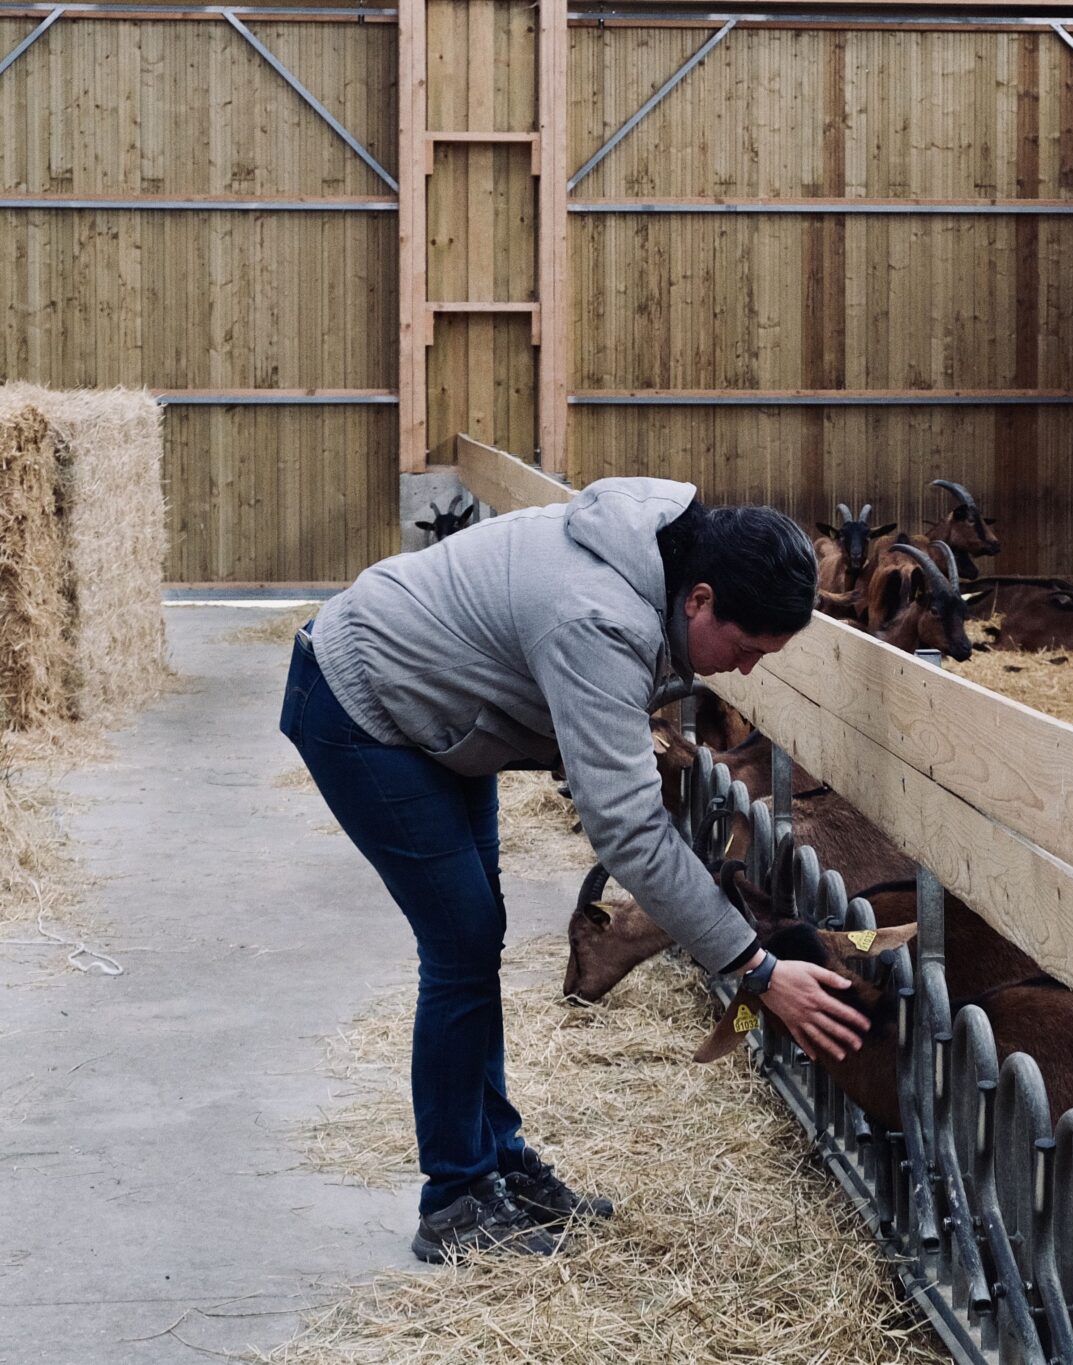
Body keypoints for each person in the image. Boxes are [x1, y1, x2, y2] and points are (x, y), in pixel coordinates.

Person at [278, 476, 868, 1263]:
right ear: (699, 600)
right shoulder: (601, 617)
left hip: (441, 704)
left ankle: (496, 1160)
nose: (749, 671)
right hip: (364, 703)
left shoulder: (662, 556)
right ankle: (455, 1197)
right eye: (747, 649)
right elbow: (630, 831)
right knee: (461, 943)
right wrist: (755, 968)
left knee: (474, 937)